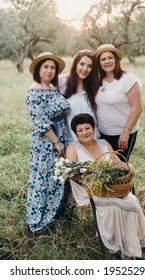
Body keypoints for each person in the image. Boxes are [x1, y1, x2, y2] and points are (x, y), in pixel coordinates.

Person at [66, 113, 145, 259]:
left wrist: (127, 165)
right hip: (89, 189)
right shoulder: (73, 148)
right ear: (76, 133)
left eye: (88, 128)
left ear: (93, 128)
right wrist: (92, 176)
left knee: (131, 200)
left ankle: (132, 241)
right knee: (113, 206)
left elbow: (118, 163)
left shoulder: (104, 143)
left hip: (111, 187)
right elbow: (71, 174)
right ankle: (115, 243)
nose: (85, 132)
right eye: (80, 130)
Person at [25, 51, 70, 233]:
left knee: (57, 176)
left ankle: (55, 212)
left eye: (53, 68)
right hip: (46, 141)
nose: (50, 71)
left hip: (62, 136)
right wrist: (57, 143)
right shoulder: (33, 91)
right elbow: (40, 121)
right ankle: (38, 218)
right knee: (42, 178)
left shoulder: (54, 88)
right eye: (46, 67)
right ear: (38, 69)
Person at [94, 44, 143, 161]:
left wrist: (126, 132)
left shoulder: (128, 79)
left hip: (122, 134)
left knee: (120, 169)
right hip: (103, 134)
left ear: (116, 59)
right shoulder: (98, 81)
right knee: (106, 168)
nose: (107, 61)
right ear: (99, 63)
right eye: (103, 59)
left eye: (110, 58)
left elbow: (138, 107)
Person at [59, 49, 100, 143]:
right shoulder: (61, 82)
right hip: (71, 141)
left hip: (93, 140)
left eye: (89, 66)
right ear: (75, 64)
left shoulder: (94, 85)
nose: (85, 69)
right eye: (82, 64)